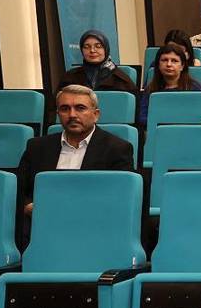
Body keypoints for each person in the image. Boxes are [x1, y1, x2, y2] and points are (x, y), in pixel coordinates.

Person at [15, 84, 135, 244]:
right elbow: (19, 189)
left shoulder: (117, 149)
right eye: (65, 109)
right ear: (58, 114)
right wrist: (28, 206)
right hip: (41, 223)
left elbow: (120, 197)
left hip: (92, 225)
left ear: (96, 114)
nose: (72, 115)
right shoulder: (37, 147)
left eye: (80, 108)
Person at [136, 37, 201, 124]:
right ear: (158, 65)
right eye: (164, 60)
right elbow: (143, 117)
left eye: (174, 61)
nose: (169, 64)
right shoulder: (150, 89)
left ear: (182, 66)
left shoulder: (196, 88)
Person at [55, 30, 135, 101]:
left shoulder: (121, 79)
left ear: (106, 49)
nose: (92, 50)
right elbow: (55, 105)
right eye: (87, 47)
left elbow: (134, 108)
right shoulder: (70, 77)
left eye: (98, 46)